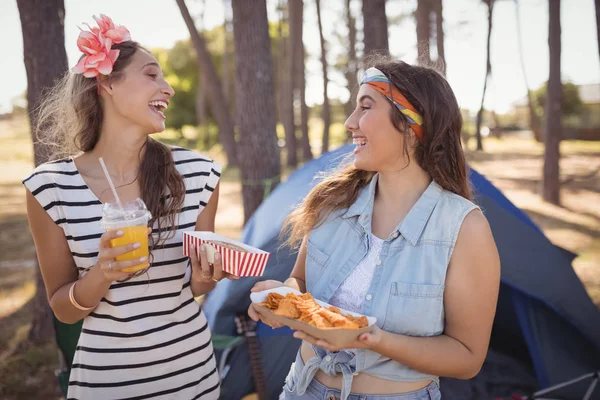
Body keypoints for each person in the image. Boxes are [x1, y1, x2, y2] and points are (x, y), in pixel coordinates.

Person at [249, 58, 501, 400]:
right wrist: (282, 298)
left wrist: (372, 339)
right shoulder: (331, 201)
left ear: (413, 125)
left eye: (365, 107)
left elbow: (467, 357)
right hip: (302, 389)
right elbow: (302, 282)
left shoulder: (464, 228)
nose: (351, 122)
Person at [23, 15, 233, 399]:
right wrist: (103, 272)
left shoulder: (198, 174)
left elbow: (194, 286)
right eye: (152, 75)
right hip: (107, 384)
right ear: (106, 83)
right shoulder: (50, 188)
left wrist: (209, 274)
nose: (168, 88)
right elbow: (64, 309)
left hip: (192, 378)